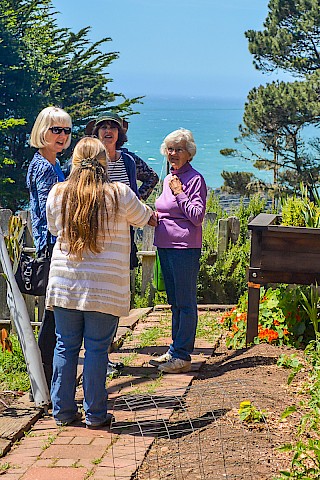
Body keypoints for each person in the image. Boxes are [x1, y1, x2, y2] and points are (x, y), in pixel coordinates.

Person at [46, 137, 156, 428]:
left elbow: (54, 228)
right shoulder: (119, 193)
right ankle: (95, 414)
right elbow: (143, 217)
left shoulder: (58, 193)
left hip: (66, 282)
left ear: (74, 160)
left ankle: (63, 412)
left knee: (65, 347)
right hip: (104, 285)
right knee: (96, 349)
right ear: (105, 160)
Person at [86, 112, 158, 375]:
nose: (108, 131)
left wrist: (136, 203)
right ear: (95, 133)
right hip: (94, 236)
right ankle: (98, 356)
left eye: (112, 127)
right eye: (103, 127)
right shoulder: (90, 161)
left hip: (123, 236)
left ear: (120, 133)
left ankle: (104, 354)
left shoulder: (127, 159)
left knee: (116, 293)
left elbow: (152, 178)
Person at [149, 129, 207, 374]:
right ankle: (175, 350)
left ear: (189, 153)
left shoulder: (194, 180)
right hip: (165, 244)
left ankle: (183, 356)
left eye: (178, 149)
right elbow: (165, 209)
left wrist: (179, 192)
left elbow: (197, 216)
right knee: (174, 302)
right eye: (170, 149)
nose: (173, 154)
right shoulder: (168, 178)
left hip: (184, 248)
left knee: (185, 302)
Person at [27, 106, 72, 393]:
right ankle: (43, 384)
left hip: (53, 245)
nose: (62, 135)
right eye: (56, 129)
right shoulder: (44, 166)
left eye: (66, 130)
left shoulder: (53, 163)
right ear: (42, 131)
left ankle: (46, 384)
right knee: (53, 318)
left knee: (54, 318)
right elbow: (48, 212)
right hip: (52, 248)